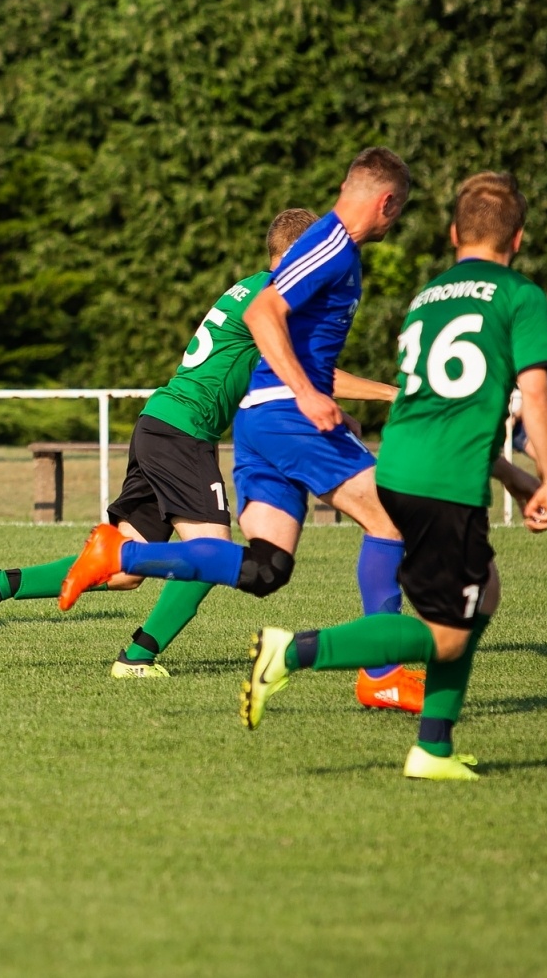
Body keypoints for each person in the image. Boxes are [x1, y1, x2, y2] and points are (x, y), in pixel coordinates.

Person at [0, 209, 410, 702]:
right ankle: (137, 657)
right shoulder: (271, 296)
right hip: (182, 431)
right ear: (300, 255)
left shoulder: (252, 288)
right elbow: (319, 377)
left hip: (161, 422)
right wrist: (394, 393)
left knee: (129, 572)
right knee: (214, 549)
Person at [58, 148, 431, 713]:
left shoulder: (332, 249)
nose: (393, 224)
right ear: (386, 201)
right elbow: (263, 314)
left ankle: (119, 557)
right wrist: (308, 395)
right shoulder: (331, 244)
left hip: (264, 417)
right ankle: (381, 673)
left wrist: (337, 392)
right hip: (283, 416)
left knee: (264, 569)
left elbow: (301, 350)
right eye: (396, 213)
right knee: (392, 518)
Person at [240, 172, 547, 779]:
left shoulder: (428, 299)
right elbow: (536, 392)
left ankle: (432, 748)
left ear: (451, 233)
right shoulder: (518, 296)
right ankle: (299, 652)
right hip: (444, 477)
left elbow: (422, 405)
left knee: (481, 596)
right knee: (450, 631)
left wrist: (511, 479)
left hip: (404, 462)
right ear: (517, 239)